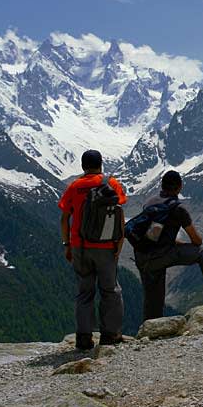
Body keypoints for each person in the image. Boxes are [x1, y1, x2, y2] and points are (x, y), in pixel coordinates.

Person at [133, 170, 203, 320]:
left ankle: (150, 327)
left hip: (143, 255)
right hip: (164, 254)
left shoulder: (149, 202)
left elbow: (154, 234)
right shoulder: (178, 208)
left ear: (161, 185)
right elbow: (197, 241)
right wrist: (183, 245)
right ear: (180, 187)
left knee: (153, 298)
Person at [58, 150, 126, 351]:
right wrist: (119, 244)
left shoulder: (74, 186)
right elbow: (119, 214)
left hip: (80, 247)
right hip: (105, 246)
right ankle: (110, 335)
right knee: (110, 291)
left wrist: (67, 244)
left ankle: (83, 338)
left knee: (85, 292)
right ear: (101, 164)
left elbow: (64, 218)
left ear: (82, 166)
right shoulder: (110, 184)